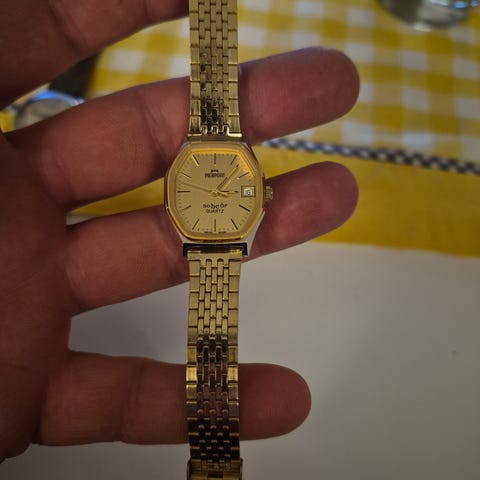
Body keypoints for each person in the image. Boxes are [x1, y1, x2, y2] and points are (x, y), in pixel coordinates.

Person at [0, 0, 359, 463]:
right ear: (171, 189)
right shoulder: (197, 166)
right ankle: (214, 457)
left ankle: (213, 458)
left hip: (225, 233)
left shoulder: (221, 167)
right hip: (209, 232)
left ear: (260, 193)